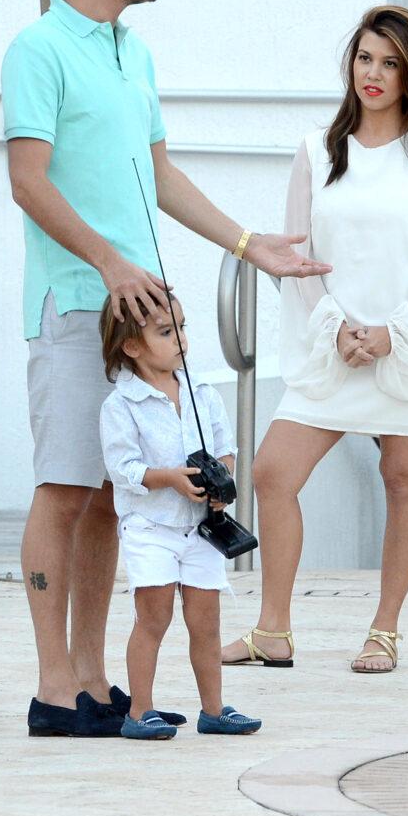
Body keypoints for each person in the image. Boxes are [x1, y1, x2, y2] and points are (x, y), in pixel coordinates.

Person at [2, 0, 329, 737]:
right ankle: (51, 687)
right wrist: (108, 263)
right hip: (77, 303)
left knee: (113, 499)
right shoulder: (38, 50)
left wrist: (247, 243)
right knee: (64, 490)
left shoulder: (130, 54)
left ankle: (92, 679)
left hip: (139, 306)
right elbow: (28, 181)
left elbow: (161, 176)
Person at [222, 6, 408, 674]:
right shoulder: (315, 152)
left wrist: (392, 333)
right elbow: (295, 256)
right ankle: (272, 630)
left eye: (389, 62)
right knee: (273, 472)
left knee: (401, 477)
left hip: (407, 344)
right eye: (365, 58)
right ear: (350, 64)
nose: (374, 73)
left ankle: (383, 629)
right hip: (329, 342)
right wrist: (335, 329)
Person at [99, 293, 262, 738]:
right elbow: (123, 469)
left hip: (200, 529)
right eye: (166, 332)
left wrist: (220, 487)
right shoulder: (121, 405)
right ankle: (139, 712)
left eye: (182, 328)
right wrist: (169, 477)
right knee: (153, 619)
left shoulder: (202, 392)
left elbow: (226, 449)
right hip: (150, 529)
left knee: (206, 622)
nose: (181, 340)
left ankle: (214, 710)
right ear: (131, 346)